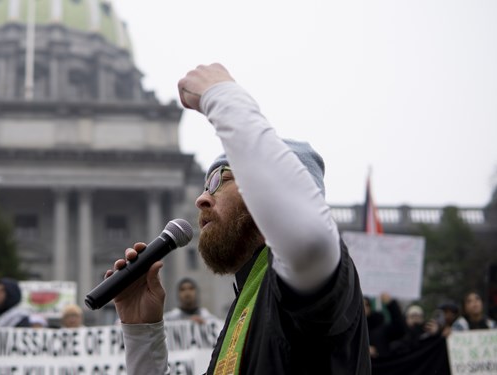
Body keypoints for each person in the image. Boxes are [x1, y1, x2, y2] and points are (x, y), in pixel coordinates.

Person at [106, 63, 370, 374]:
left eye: (221, 180)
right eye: (205, 186)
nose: (202, 198)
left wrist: (223, 97)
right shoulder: (243, 306)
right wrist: (142, 331)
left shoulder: (314, 276)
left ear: (268, 188)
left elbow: (307, 237)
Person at [364, 293, 406, 358]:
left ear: (370, 308)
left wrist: (391, 304)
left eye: (366, 305)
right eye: (361, 304)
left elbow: (400, 329)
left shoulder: (380, 327)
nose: (364, 307)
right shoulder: (350, 330)